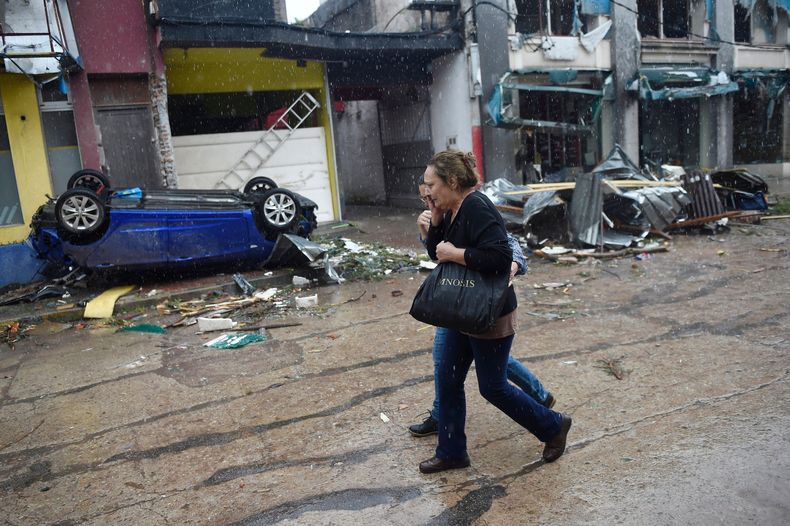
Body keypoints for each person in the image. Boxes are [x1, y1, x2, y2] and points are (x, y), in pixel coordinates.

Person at [416, 150, 572, 474]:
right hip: (462, 312)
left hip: (489, 314)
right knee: (447, 378)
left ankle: (554, 426)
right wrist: (434, 219)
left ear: (453, 181)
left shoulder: (477, 206)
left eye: (432, 185)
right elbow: (436, 253)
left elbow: (500, 258)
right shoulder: (452, 210)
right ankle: (451, 451)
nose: (427, 190)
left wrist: (456, 253)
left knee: (493, 386)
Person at [409, 182, 555, 438]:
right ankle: (442, 421)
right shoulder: (444, 213)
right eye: (424, 199)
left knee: (492, 378)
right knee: (447, 367)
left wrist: (513, 266)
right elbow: (438, 254)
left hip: (479, 306)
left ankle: (542, 402)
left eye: (431, 192)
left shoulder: (475, 207)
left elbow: (505, 248)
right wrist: (428, 227)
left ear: (448, 185)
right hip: (454, 304)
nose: (429, 200)